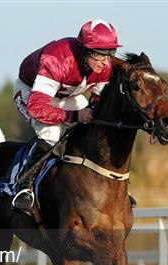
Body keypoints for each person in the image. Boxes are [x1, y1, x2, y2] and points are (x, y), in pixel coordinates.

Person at [11, 19, 121, 214]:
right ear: (85, 50)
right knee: (51, 133)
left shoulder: (104, 66)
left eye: (110, 53)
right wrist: (75, 115)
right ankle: (24, 185)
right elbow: (37, 108)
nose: (105, 61)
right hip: (31, 94)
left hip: (65, 95)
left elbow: (98, 99)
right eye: (100, 54)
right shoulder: (57, 60)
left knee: (93, 124)